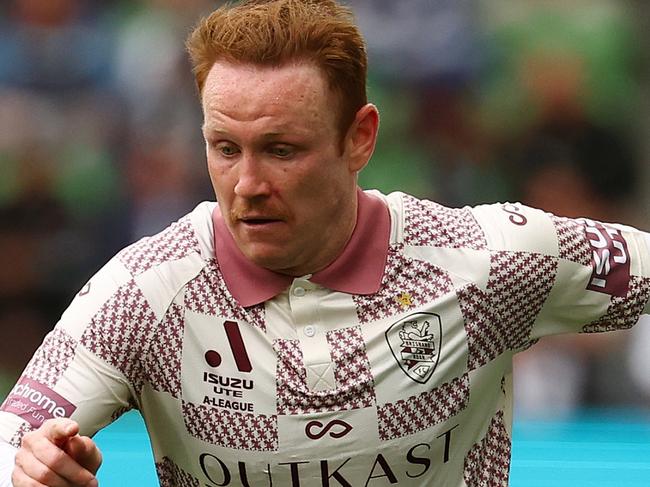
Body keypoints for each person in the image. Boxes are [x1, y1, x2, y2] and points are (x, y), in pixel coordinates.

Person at [1, 1, 649, 485]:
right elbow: (12, 444)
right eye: (225, 148)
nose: (247, 184)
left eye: (282, 149)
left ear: (360, 137)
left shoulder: (491, 260)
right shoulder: (144, 290)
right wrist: (33, 467)